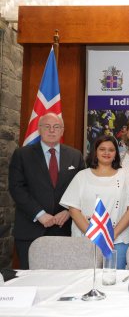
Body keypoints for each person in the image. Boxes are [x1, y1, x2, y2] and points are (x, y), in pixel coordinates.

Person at [8, 113, 85, 269]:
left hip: (64, 229)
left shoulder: (75, 155)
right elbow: (17, 188)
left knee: (62, 279)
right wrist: (40, 214)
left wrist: (68, 211)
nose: (52, 130)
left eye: (56, 127)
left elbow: (82, 188)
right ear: (39, 129)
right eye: (47, 126)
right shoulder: (22, 154)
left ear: (62, 130)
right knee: (31, 280)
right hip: (30, 229)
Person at [60, 136, 129, 269]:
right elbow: (73, 209)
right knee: (85, 280)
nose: (106, 153)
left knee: (113, 281)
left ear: (116, 154)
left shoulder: (125, 175)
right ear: (95, 152)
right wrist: (94, 234)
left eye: (111, 150)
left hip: (118, 240)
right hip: (87, 239)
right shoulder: (82, 176)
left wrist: (111, 235)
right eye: (102, 149)